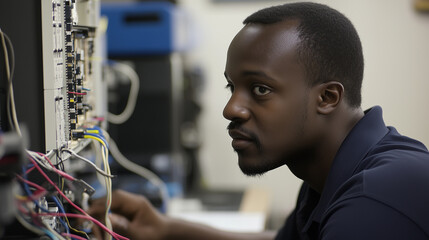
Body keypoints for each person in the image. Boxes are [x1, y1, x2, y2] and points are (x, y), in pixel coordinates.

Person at [89, 2, 429, 239]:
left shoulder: (373, 202)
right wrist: (167, 229)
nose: (231, 108)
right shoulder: (329, 178)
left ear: (327, 98)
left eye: (260, 89)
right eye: (231, 87)